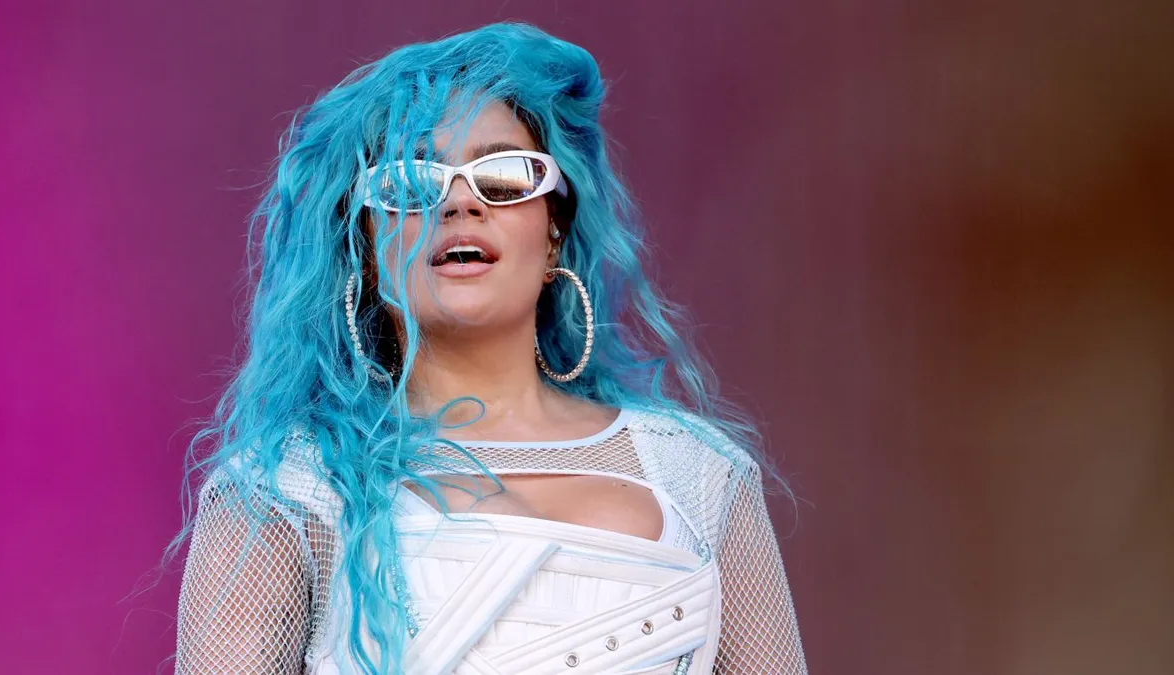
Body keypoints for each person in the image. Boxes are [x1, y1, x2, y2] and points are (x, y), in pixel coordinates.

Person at [173, 22, 808, 675]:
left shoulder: (699, 476)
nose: (459, 203)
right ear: (365, 248)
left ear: (555, 231)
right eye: (412, 184)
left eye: (503, 178)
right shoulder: (287, 491)